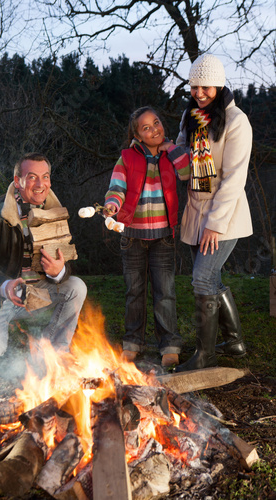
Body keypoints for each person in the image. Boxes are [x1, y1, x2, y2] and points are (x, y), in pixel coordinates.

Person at [0, 152, 87, 373]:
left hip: (34, 293)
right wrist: (5, 286)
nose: (40, 184)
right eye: (32, 177)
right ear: (18, 181)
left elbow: (63, 260)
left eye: (45, 177)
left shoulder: (53, 212)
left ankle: (53, 354)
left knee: (76, 287)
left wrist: (58, 272)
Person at [171, 54, 253, 372]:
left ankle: (205, 356)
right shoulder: (190, 116)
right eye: (194, 87)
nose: (199, 93)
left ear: (218, 85)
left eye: (205, 87)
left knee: (202, 278)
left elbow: (234, 179)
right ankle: (235, 342)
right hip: (195, 209)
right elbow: (180, 151)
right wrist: (175, 151)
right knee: (211, 278)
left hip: (225, 215)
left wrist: (215, 225)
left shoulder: (236, 122)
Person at [104, 106, 190, 368]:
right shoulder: (127, 158)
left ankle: (169, 345)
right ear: (138, 136)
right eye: (146, 127)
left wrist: (172, 149)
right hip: (132, 236)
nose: (155, 129)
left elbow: (187, 173)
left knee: (165, 292)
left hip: (163, 235)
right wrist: (112, 206)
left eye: (157, 123)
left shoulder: (172, 155)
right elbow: (116, 188)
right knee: (135, 291)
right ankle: (133, 342)